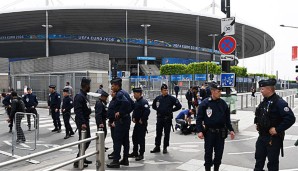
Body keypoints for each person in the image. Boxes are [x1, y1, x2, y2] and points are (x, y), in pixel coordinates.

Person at [254, 78, 295, 171]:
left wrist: (277, 129)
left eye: (262, 89)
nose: (261, 91)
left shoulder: (279, 102)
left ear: (269, 89)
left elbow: (290, 118)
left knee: (272, 164)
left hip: (273, 138)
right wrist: (258, 124)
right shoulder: (264, 101)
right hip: (262, 136)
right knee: (258, 161)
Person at [196, 82, 235, 171]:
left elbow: (227, 119)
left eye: (220, 91)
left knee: (219, 154)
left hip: (220, 133)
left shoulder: (223, 104)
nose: (220, 93)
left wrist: (231, 130)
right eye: (218, 91)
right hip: (209, 133)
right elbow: (199, 118)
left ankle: (216, 169)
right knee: (208, 153)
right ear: (212, 91)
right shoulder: (205, 103)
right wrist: (199, 131)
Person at [107, 77, 134, 168]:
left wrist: (121, 113)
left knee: (117, 141)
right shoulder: (125, 93)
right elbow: (132, 105)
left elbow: (126, 103)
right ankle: (125, 159)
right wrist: (126, 113)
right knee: (125, 140)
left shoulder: (119, 94)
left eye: (113, 86)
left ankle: (116, 161)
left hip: (121, 121)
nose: (111, 87)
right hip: (126, 120)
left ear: (117, 86)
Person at [151, 84, 182, 154]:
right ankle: (157, 146)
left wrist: (171, 110)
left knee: (166, 134)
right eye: (164, 90)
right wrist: (158, 110)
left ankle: (165, 147)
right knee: (158, 133)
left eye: (167, 90)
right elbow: (153, 106)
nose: (166, 91)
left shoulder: (171, 98)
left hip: (167, 119)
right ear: (161, 91)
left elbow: (179, 106)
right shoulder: (158, 98)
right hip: (159, 118)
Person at [73, 77, 92, 168]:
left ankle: (82, 157)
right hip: (82, 121)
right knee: (84, 140)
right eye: (89, 85)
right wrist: (82, 123)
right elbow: (78, 111)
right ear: (86, 86)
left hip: (85, 120)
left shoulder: (83, 95)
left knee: (86, 139)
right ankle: (78, 160)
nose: (90, 87)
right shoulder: (79, 96)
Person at [128, 87, 151, 161]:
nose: (134, 95)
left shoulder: (144, 102)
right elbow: (134, 111)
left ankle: (141, 154)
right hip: (137, 123)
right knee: (134, 138)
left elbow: (147, 111)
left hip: (142, 123)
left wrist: (142, 119)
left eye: (135, 93)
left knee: (141, 139)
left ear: (139, 93)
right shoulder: (136, 102)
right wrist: (133, 118)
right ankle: (135, 152)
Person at [107, 90, 117, 160]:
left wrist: (114, 122)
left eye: (113, 92)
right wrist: (109, 121)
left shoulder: (117, 101)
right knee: (113, 138)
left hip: (115, 122)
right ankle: (114, 151)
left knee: (116, 139)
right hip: (111, 121)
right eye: (111, 92)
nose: (111, 93)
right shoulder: (112, 100)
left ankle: (116, 153)